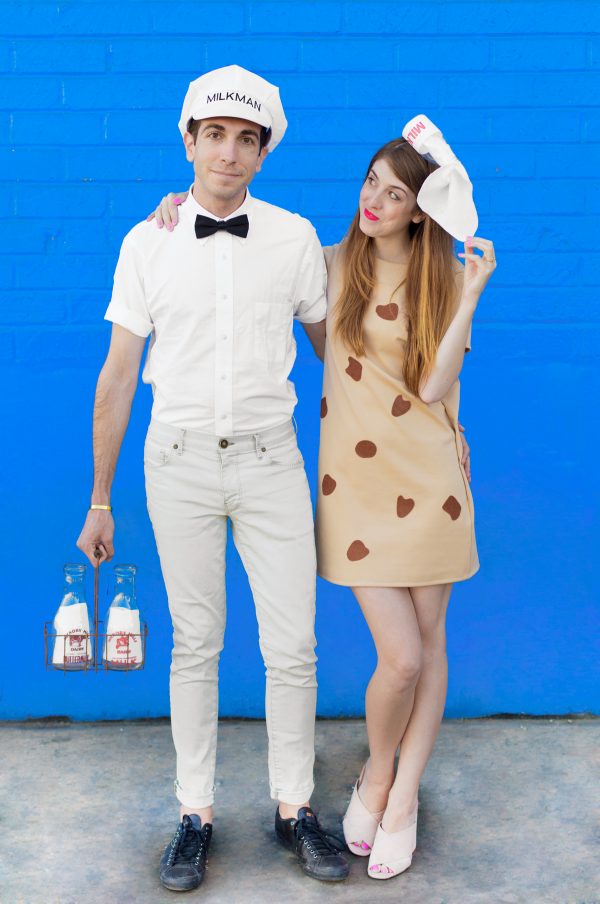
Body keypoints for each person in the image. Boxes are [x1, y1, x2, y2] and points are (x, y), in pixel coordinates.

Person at [150, 114, 490, 882]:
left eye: (396, 193)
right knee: (399, 658)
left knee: (430, 650)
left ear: (421, 208)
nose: (375, 200)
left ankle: (399, 796)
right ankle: (375, 772)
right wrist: (178, 207)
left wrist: (471, 294)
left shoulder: (442, 276)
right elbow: (242, 247)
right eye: (372, 182)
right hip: (357, 484)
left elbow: (438, 385)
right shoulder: (327, 261)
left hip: (432, 479)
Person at [76, 64, 349, 892]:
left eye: (246, 139)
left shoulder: (295, 237)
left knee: (292, 645)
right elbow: (120, 375)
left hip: (272, 461)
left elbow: (333, 351)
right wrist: (99, 499)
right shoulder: (145, 241)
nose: (228, 152)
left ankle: (294, 807)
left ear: (263, 153)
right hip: (179, 463)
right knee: (196, 644)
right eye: (214, 134)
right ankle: (194, 814)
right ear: (189, 141)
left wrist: (422, 415)